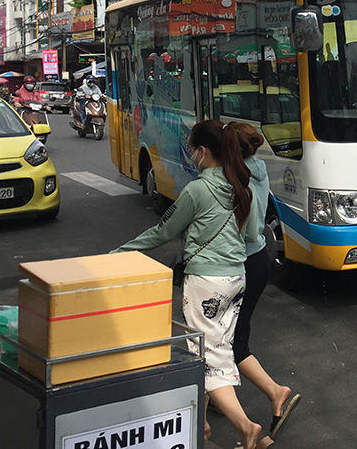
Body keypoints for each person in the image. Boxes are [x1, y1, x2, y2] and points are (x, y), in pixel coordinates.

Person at [112, 120, 272, 449]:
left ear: (202, 152)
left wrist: (120, 252)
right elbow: (253, 235)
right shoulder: (243, 185)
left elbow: (162, 232)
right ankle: (200, 425)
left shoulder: (197, 190)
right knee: (220, 350)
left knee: (205, 355)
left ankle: (246, 427)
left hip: (206, 282)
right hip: (236, 277)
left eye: (190, 150)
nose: (190, 156)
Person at [228, 122, 301, 438]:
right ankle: (213, 405)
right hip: (259, 259)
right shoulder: (257, 168)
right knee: (225, 336)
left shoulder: (236, 177)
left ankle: (275, 392)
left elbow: (242, 225)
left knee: (229, 341)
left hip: (244, 260)